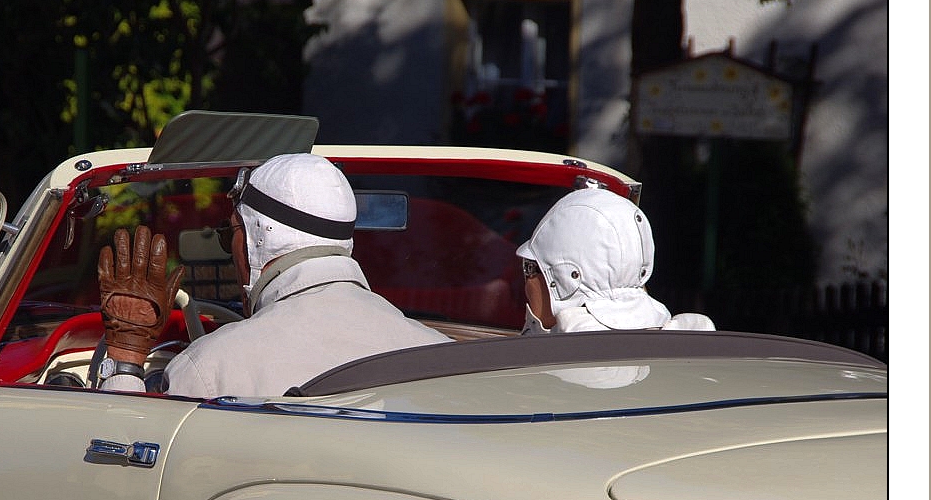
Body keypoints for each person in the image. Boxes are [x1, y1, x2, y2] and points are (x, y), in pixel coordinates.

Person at [96, 152, 451, 398]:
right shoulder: (442, 356)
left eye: (230, 233)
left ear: (257, 237)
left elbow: (129, 474)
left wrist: (125, 364)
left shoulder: (211, 368)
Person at [516, 184, 714, 334]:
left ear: (563, 280)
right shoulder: (694, 341)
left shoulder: (553, 361)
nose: (526, 284)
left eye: (530, 268)